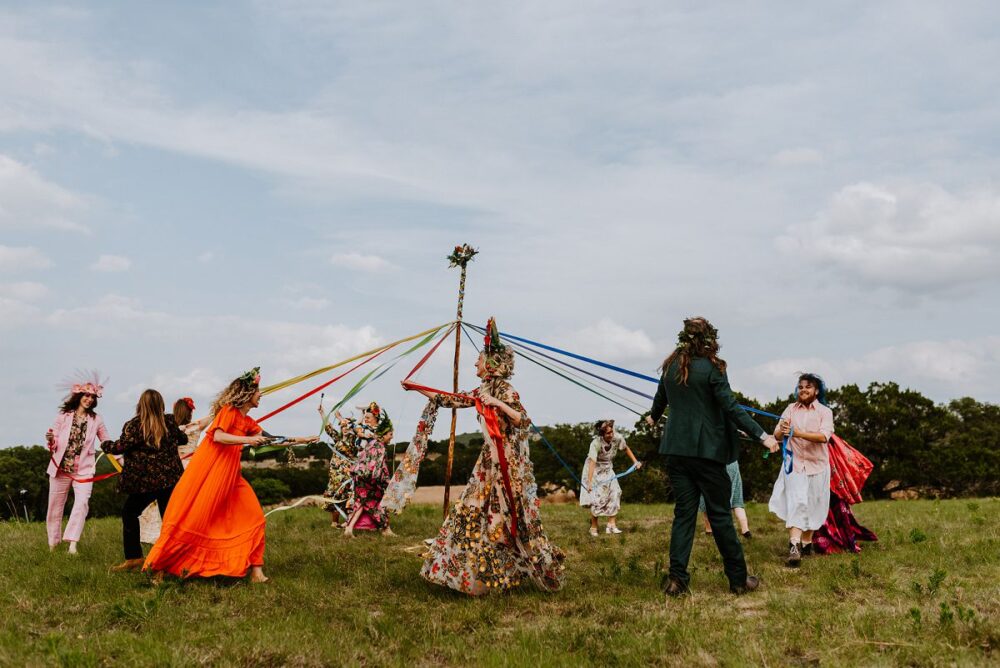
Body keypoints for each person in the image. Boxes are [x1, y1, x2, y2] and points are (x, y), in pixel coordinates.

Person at [402, 317, 565, 595]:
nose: (474, 365)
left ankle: (517, 571)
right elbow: (449, 399)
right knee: (475, 513)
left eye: (478, 361)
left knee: (508, 517)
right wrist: (416, 386)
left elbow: (522, 420)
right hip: (488, 461)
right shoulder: (481, 390)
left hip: (507, 463)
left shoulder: (505, 390)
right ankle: (477, 580)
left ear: (490, 364)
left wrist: (497, 402)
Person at [143, 368, 315, 583]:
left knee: (255, 518)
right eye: (258, 391)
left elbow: (271, 439)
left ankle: (256, 572)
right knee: (194, 520)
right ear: (246, 393)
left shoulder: (248, 422)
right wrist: (248, 440)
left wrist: (301, 439)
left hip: (232, 478)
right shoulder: (228, 412)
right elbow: (218, 435)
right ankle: (161, 568)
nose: (261, 395)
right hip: (211, 473)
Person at [646, 317, 778, 596]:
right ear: (710, 339)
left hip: (675, 452)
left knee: (683, 515)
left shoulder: (670, 366)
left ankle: (676, 581)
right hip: (706, 453)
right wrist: (763, 436)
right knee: (719, 515)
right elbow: (731, 407)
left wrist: (653, 417)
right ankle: (739, 580)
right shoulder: (714, 368)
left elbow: (660, 399)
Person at [102, 389, 188, 571]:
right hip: (170, 480)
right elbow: (183, 439)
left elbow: (119, 447)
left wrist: (105, 444)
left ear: (141, 405)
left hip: (145, 483)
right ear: (161, 405)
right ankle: (176, 559)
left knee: (129, 513)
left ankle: (134, 558)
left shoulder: (134, 425)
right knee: (170, 520)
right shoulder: (170, 422)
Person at [768, 373, 835, 567]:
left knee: (814, 506)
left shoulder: (825, 412)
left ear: (816, 391)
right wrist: (783, 428)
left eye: (808, 387)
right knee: (797, 502)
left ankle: (806, 543)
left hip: (818, 466)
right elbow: (777, 435)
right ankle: (794, 546)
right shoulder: (790, 409)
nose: (803, 390)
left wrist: (797, 433)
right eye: (800, 386)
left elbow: (824, 437)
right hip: (794, 465)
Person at [45, 372, 111, 554]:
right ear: (79, 396)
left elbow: (106, 442)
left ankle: (72, 544)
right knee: (54, 507)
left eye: (92, 397)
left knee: (82, 504)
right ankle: (53, 544)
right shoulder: (63, 416)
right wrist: (50, 439)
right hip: (61, 469)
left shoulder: (96, 420)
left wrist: (122, 458)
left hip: (84, 470)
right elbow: (54, 444)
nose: (89, 400)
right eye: (86, 396)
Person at [139, 397, 212, 544]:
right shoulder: (195, 427)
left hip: (172, 468)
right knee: (191, 503)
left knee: (168, 502)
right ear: (190, 413)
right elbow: (212, 416)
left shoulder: (167, 429)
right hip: (191, 468)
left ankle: (163, 533)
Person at [340, 402, 395, 537]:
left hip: (361, 477)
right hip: (368, 479)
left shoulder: (373, 443)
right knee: (380, 504)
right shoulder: (379, 447)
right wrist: (386, 481)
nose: (392, 437)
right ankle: (386, 530)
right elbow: (376, 468)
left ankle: (349, 529)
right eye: (390, 434)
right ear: (384, 435)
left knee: (360, 504)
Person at [579, 419, 642, 536]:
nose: (611, 435)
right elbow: (592, 462)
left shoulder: (617, 438)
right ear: (602, 434)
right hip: (594, 471)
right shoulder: (595, 443)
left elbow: (626, 448)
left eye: (612, 432)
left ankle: (611, 525)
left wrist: (635, 462)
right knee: (597, 498)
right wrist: (589, 482)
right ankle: (593, 527)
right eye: (608, 433)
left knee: (615, 492)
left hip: (608, 469)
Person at [318, 402, 357, 527]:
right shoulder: (337, 439)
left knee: (347, 496)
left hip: (347, 474)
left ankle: (348, 522)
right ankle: (334, 522)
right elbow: (328, 427)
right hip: (335, 474)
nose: (344, 428)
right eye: (342, 426)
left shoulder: (354, 440)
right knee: (335, 495)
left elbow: (357, 427)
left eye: (347, 426)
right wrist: (322, 413)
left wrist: (341, 418)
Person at [700, 461, 752, 539]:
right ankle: (745, 530)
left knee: (706, 497)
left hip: (714, 463)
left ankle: (709, 530)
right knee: (736, 499)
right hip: (732, 464)